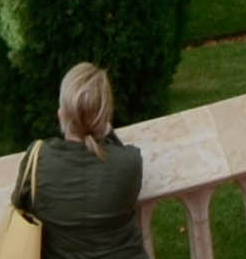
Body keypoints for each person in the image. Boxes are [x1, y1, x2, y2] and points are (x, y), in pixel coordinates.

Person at [15, 62, 147, 259]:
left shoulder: (38, 159)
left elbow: (19, 202)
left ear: (62, 113)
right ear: (106, 116)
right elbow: (114, 154)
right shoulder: (130, 163)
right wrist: (105, 131)